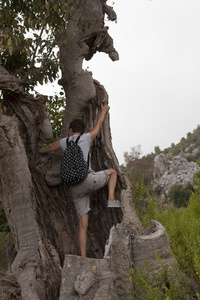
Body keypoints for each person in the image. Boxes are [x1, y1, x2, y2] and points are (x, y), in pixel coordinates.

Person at [39, 104, 121, 257]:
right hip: (88, 180)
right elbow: (98, 125)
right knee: (113, 172)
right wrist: (103, 111)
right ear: (83, 131)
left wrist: (38, 151)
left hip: (74, 188)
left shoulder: (64, 142)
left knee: (82, 226)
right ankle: (111, 199)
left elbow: (49, 148)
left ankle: (83, 257)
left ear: (70, 130)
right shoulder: (87, 137)